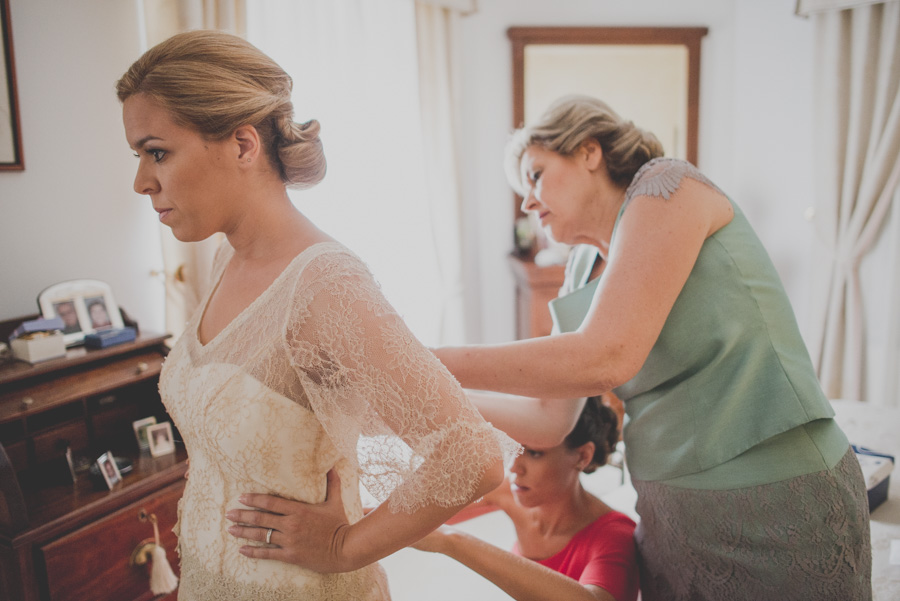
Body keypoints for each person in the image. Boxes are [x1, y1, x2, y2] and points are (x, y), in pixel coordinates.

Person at [117, 29, 515, 601]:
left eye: (157, 152)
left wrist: (343, 548)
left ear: (243, 145)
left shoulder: (326, 287)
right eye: (138, 156)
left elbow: (471, 457)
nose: (141, 181)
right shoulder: (224, 254)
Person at [426, 95, 872, 600]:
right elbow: (549, 419)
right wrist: (424, 381)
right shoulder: (577, 271)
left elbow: (605, 357)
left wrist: (432, 357)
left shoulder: (668, 188)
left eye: (534, 175)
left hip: (773, 499)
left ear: (588, 151)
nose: (527, 202)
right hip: (670, 516)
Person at [410, 396, 638, 601]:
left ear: (582, 456)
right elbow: (411, 510)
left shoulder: (615, 534)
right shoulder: (509, 492)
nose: (514, 467)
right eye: (512, 448)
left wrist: (452, 541)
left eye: (534, 452)